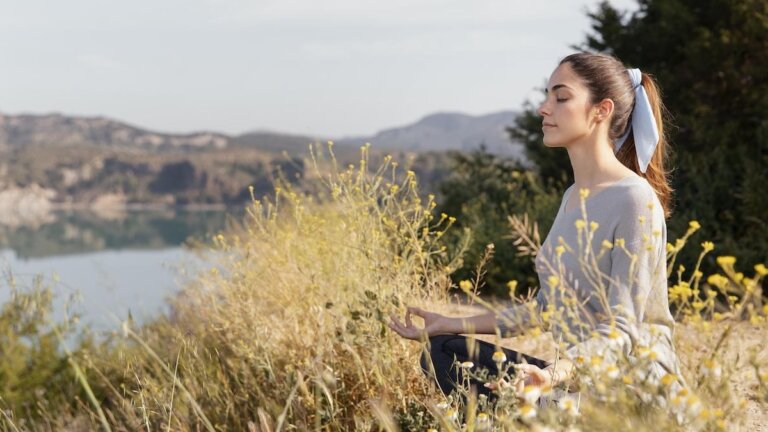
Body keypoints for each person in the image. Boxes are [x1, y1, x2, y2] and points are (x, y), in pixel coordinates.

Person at [388, 52, 684, 403]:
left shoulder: (634, 198)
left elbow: (623, 330)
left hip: (632, 391)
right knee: (443, 351)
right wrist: (448, 322)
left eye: (561, 98)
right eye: (547, 97)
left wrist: (551, 375)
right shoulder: (573, 196)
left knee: (525, 402)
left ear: (601, 111)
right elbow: (546, 309)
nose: (545, 108)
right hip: (581, 377)